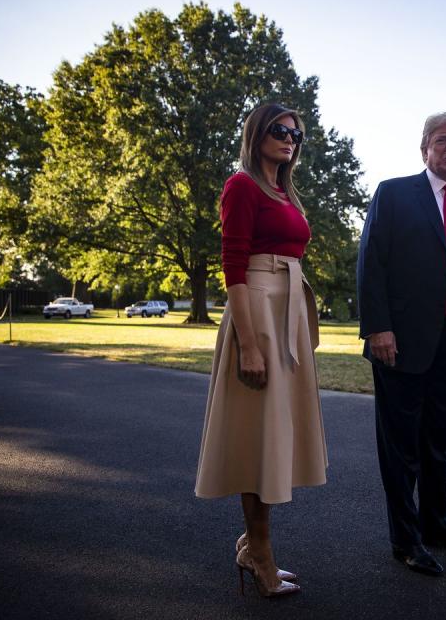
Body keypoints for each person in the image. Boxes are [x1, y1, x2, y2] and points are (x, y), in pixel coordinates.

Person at [356, 112, 446, 577]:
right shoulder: (394, 194)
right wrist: (378, 327)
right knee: (401, 448)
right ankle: (406, 540)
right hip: (398, 344)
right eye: (442, 140)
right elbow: (371, 263)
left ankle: (438, 524)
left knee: (437, 443)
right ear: (425, 150)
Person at [195, 103, 327, 598]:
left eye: (297, 133)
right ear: (256, 133)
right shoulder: (242, 185)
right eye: (280, 130)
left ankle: (256, 546)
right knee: (258, 437)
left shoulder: (285, 193)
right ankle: (260, 554)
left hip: (285, 317)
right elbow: (232, 265)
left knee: (273, 436)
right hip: (257, 315)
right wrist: (248, 344)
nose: (290, 138)